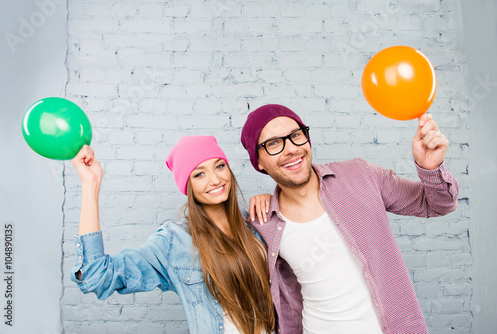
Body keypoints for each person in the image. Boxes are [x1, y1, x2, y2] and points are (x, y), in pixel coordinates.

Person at [241, 104, 459, 334]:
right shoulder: (262, 222)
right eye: (273, 143)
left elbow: (437, 205)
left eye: (296, 136)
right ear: (258, 162)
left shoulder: (361, 175)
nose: (291, 149)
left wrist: (430, 167)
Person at [70, 136, 275, 334]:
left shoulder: (255, 223)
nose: (215, 179)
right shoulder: (174, 241)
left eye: (220, 166)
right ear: (188, 185)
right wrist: (91, 184)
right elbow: (95, 277)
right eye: (199, 174)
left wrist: (275, 201)